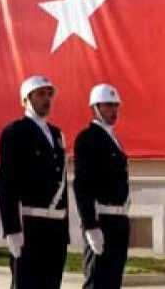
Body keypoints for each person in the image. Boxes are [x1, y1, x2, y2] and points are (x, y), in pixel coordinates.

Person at [0, 75, 69, 289]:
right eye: (40, 94)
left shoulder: (56, 134)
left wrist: (64, 230)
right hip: (30, 227)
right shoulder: (16, 132)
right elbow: (6, 184)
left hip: (55, 229)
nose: (46, 99)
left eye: (49, 94)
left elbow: (61, 183)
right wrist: (12, 229)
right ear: (25, 99)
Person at [73, 84, 129, 289]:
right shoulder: (88, 138)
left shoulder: (113, 139)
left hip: (119, 220)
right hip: (101, 221)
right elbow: (82, 185)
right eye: (108, 106)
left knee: (113, 282)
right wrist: (90, 225)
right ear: (95, 108)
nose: (114, 110)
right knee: (97, 282)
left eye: (116, 106)